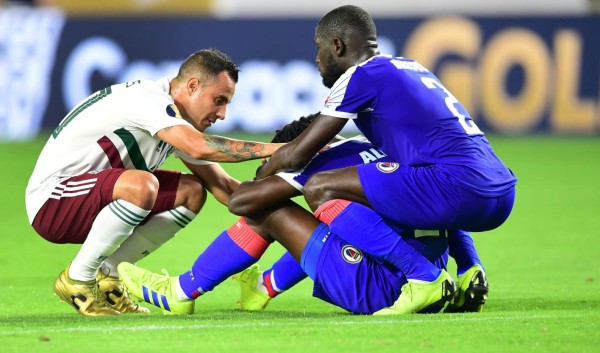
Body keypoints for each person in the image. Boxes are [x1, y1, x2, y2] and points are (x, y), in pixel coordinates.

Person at [253, 5, 516, 315]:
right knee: (412, 178)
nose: (317, 59)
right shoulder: (410, 67)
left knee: (320, 187)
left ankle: (422, 277)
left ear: (337, 46)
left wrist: (265, 173)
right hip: (500, 191)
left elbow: (299, 151)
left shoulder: (360, 76)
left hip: (456, 188)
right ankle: (470, 268)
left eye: (319, 48)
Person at [25, 48, 284, 316]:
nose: (222, 114)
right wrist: (279, 150)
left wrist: (286, 195)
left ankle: (108, 277)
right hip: (52, 201)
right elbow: (198, 147)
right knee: (142, 185)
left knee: (192, 192)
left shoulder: (174, 120)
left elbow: (226, 189)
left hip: (92, 197)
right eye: (219, 100)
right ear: (193, 86)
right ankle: (78, 278)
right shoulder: (147, 101)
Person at [116, 114, 451, 315]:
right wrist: (470, 266)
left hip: (384, 288)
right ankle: (262, 287)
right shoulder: (373, 148)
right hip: (438, 280)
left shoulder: (322, 159)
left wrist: (274, 166)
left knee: (268, 209)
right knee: (337, 220)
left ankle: (180, 291)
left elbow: (242, 202)